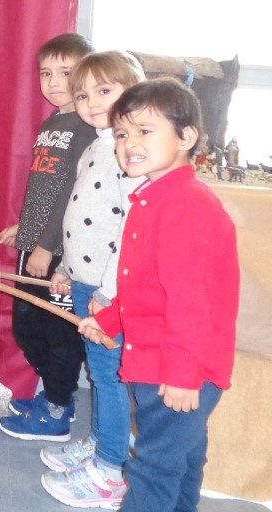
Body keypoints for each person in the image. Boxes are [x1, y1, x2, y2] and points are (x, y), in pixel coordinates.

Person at [79, 78, 239, 512]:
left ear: (186, 137)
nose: (129, 143)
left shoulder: (185, 205)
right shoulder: (155, 198)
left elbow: (190, 300)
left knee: (153, 466)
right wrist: (109, 319)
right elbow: (144, 285)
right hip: (166, 357)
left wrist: (184, 374)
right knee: (181, 458)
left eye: (144, 131)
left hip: (176, 365)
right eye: (121, 134)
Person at [38, 51, 144, 509]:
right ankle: (102, 444)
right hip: (85, 282)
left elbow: (130, 230)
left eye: (104, 91)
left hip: (108, 291)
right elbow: (81, 217)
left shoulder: (126, 153)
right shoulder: (96, 146)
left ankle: (109, 470)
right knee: (100, 374)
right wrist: (65, 267)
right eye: (82, 95)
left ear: (132, 92)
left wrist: (108, 294)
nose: (91, 102)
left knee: (109, 376)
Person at [0, 32, 96, 441]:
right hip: (34, 242)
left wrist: (45, 245)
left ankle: (56, 407)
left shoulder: (86, 129)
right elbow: (43, 188)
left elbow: (72, 195)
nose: (54, 82)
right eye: (46, 73)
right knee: (26, 326)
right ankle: (57, 395)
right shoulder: (52, 123)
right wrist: (25, 227)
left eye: (65, 72)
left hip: (58, 253)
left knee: (57, 332)